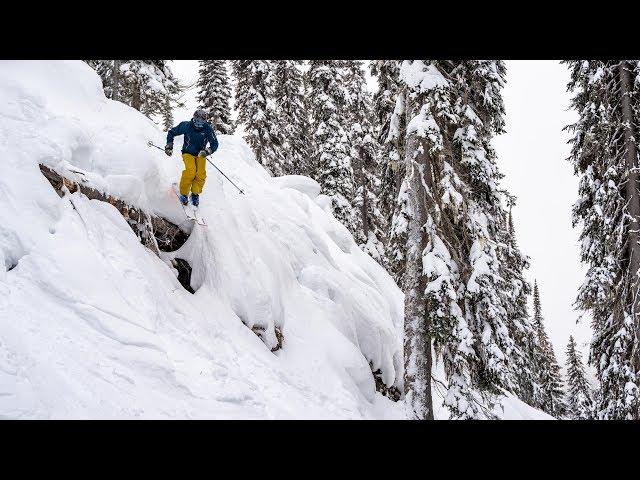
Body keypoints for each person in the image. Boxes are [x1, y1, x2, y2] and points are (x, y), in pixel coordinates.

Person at [165, 109, 219, 207]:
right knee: (191, 171)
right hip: (188, 153)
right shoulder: (186, 125)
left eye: (201, 122)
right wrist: (169, 145)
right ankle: (184, 194)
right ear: (193, 119)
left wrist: (207, 151)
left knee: (201, 174)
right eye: (196, 121)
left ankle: (195, 193)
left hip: (201, 154)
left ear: (205, 121)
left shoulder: (208, 129)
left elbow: (214, 143)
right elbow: (171, 132)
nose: (198, 125)